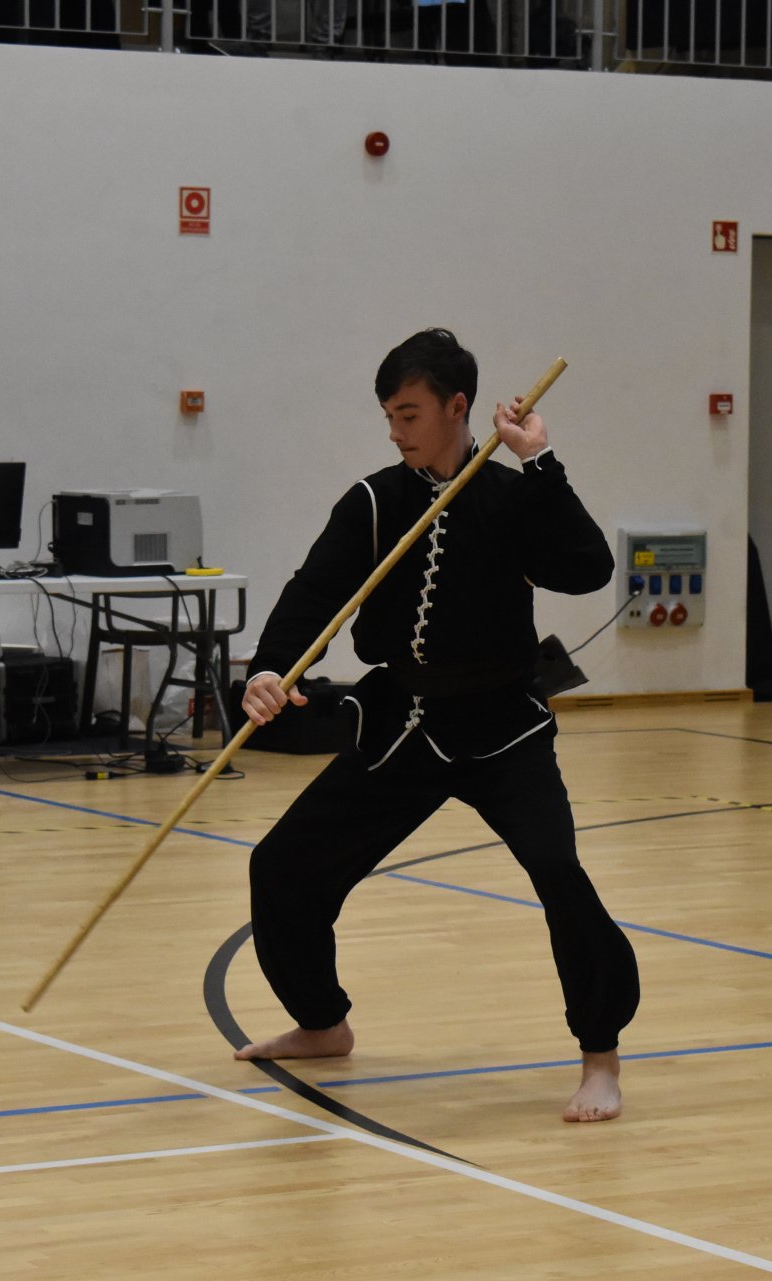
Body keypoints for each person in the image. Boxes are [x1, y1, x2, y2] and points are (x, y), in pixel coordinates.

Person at [234, 329, 640, 1123]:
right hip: (402, 726)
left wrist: (541, 462)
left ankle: (601, 1055)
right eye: (389, 415)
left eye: (411, 413)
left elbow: (588, 567)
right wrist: (269, 668)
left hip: (502, 727)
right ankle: (322, 1023)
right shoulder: (375, 500)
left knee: (559, 871)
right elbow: (313, 591)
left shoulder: (513, 495)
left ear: (459, 408)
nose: (397, 431)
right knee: (283, 865)